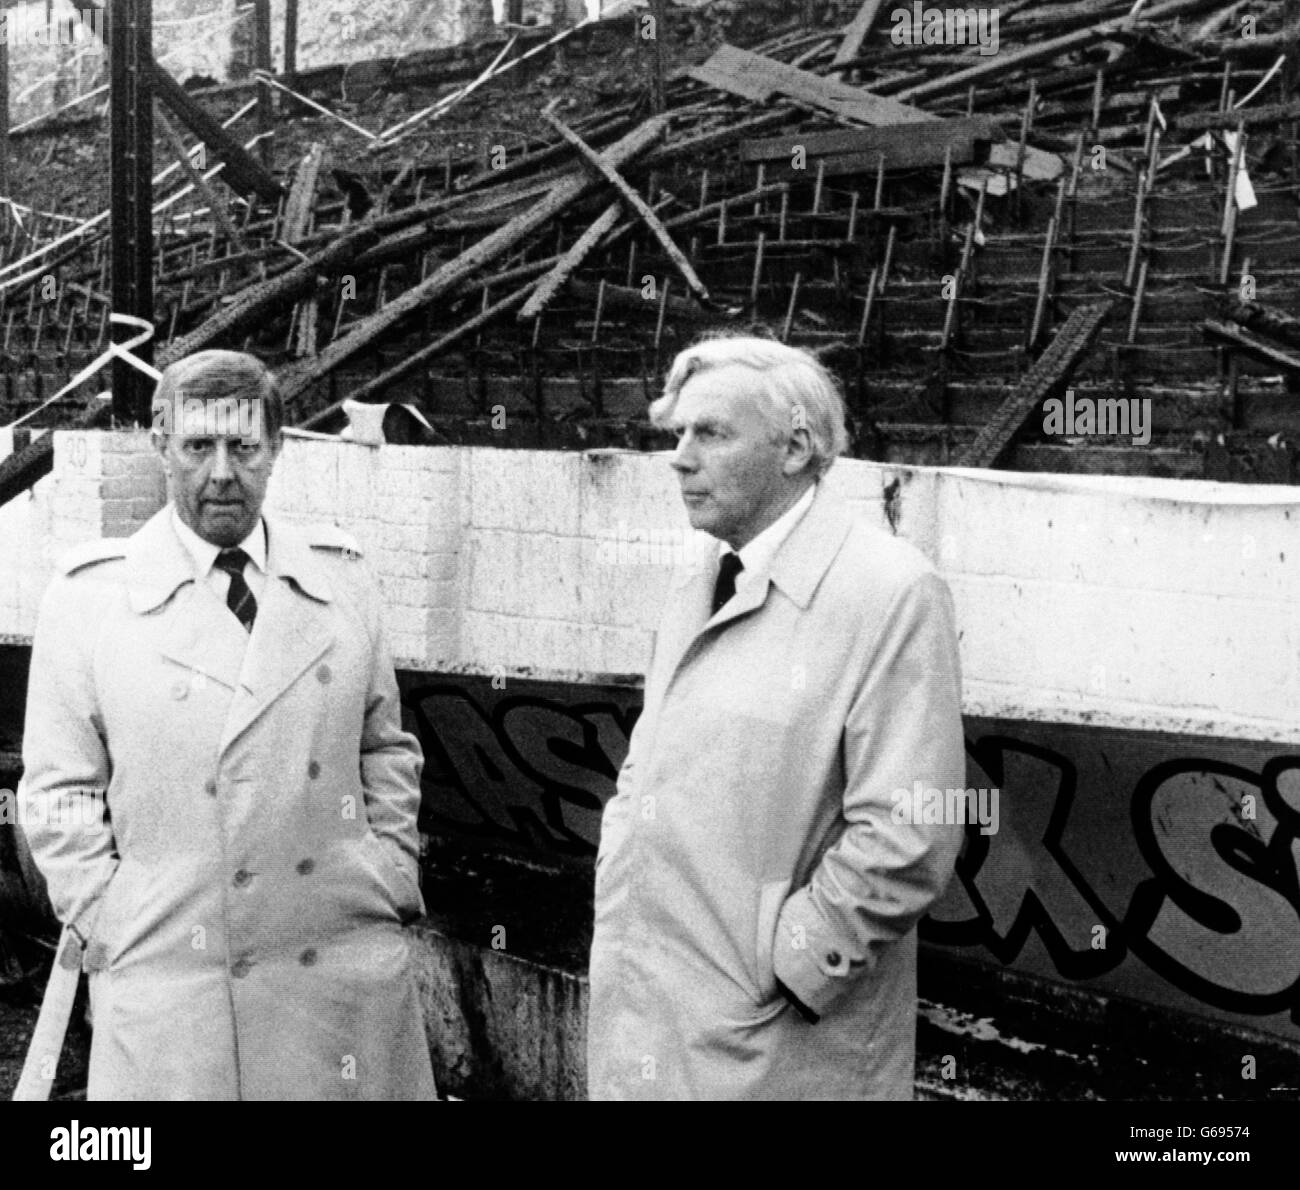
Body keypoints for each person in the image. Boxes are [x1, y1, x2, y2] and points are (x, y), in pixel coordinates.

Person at [18, 350, 436, 1100]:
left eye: (243, 448)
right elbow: (58, 787)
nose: (220, 473)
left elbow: (385, 748)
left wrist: (389, 871)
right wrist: (107, 913)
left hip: (332, 972)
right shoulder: (89, 600)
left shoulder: (343, 580)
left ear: (276, 447)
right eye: (197, 447)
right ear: (160, 446)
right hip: (172, 979)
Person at [587, 336, 967, 1100]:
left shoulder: (889, 592)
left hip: (779, 1048)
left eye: (712, 434)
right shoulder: (700, 580)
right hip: (655, 1019)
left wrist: (792, 968)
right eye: (678, 435)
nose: (680, 458)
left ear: (795, 448)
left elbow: (910, 830)